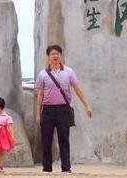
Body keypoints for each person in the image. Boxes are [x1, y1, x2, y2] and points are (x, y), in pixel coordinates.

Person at [35, 44, 93, 173]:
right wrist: (38, 114)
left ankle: (66, 168)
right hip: (48, 110)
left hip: (63, 110)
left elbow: (77, 89)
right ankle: (47, 168)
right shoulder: (42, 74)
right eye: (52, 54)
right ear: (48, 57)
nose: (55, 56)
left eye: (57, 54)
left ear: (61, 56)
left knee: (64, 139)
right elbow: (40, 94)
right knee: (46, 140)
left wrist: (87, 105)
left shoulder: (69, 72)